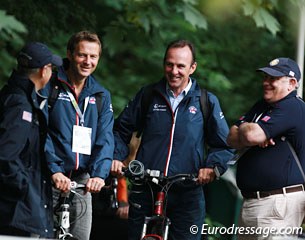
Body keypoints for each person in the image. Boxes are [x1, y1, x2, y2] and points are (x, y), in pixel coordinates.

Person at [112, 39, 233, 240]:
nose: (174, 71)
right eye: (169, 64)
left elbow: (224, 144)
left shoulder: (206, 101)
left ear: (192, 68)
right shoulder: (149, 95)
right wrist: (116, 157)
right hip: (146, 185)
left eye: (180, 66)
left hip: (188, 190)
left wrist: (212, 168)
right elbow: (120, 129)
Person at [43, 30, 114, 240]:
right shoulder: (50, 86)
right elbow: (40, 132)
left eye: (93, 57)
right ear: (70, 54)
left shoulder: (101, 95)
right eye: (82, 55)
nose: (87, 61)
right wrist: (53, 170)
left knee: (81, 236)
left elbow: (105, 138)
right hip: (49, 177)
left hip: (82, 181)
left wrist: (99, 175)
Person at [227, 57, 305, 240]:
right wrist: (251, 130)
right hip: (252, 203)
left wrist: (247, 130)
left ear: (292, 83)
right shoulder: (262, 106)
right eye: (265, 77)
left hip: (277, 205)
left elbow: (250, 135)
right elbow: (231, 137)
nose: (266, 83)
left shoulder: (292, 106)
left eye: (273, 79)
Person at [0, 42, 62, 238]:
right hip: (15, 214)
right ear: (44, 71)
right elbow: (5, 156)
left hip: (18, 212)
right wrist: (26, 188)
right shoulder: (20, 105)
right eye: (51, 68)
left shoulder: (15, 96)